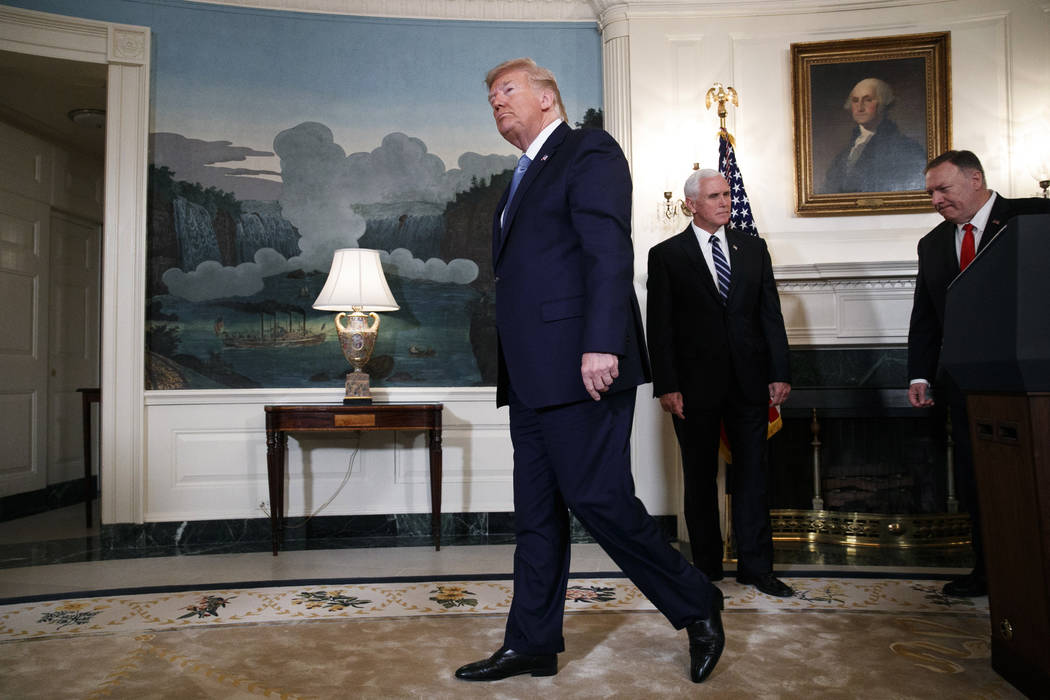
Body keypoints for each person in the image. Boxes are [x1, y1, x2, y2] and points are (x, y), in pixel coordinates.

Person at [454, 58, 725, 684]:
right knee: (537, 517)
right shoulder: (518, 177)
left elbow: (607, 248)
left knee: (600, 500)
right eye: (489, 95)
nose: (496, 102)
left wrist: (602, 342)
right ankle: (532, 642)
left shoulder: (589, 151)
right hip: (529, 375)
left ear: (548, 98)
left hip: (583, 364)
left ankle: (696, 601)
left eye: (508, 90)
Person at [908, 149, 1050, 597]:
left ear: (975, 180)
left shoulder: (1033, 216)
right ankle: (989, 573)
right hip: (965, 386)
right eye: (930, 191)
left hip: (1033, 384)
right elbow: (926, 316)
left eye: (943, 189)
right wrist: (919, 375)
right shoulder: (932, 244)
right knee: (977, 482)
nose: (935, 199)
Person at [646, 169, 793, 598]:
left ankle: (757, 568)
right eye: (715, 196)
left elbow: (770, 315)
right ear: (692, 204)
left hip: (750, 384)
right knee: (699, 477)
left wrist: (779, 372)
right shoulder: (667, 255)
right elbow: (661, 327)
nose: (725, 202)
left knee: (753, 476)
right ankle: (706, 568)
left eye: (727, 194)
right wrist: (667, 386)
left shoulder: (753, 248)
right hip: (692, 389)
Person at [821, 77, 926, 194]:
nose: (860, 107)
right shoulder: (843, 155)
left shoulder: (906, 148)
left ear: (883, 104)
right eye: (855, 100)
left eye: (868, 100)